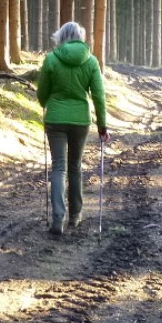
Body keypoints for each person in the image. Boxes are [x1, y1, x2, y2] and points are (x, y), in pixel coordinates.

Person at [37, 21, 109, 236]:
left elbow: (42, 92)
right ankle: (76, 215)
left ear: (61, 37)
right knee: (75, 166)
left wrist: (45, 103)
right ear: (81, 37)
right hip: (80, 120)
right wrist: (102, 125)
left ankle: (58, 217)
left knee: (59, 167)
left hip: (56, 119)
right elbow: (98, 95)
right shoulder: (91, 61)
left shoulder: (51, 59)